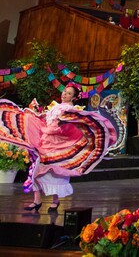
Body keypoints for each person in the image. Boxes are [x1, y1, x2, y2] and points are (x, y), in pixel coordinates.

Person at [0, 84, 116, 213]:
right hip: (45, 142)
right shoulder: (56, 107)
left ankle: (55, 201)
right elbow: (48, 121)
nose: (64, 94)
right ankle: (37, 200)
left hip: (58, 144)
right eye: (65, 92)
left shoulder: (69, 110)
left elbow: (63, 128)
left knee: (54, 173)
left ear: (74, 97)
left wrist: (56, 126)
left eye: (68, 93)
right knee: (36, 171)